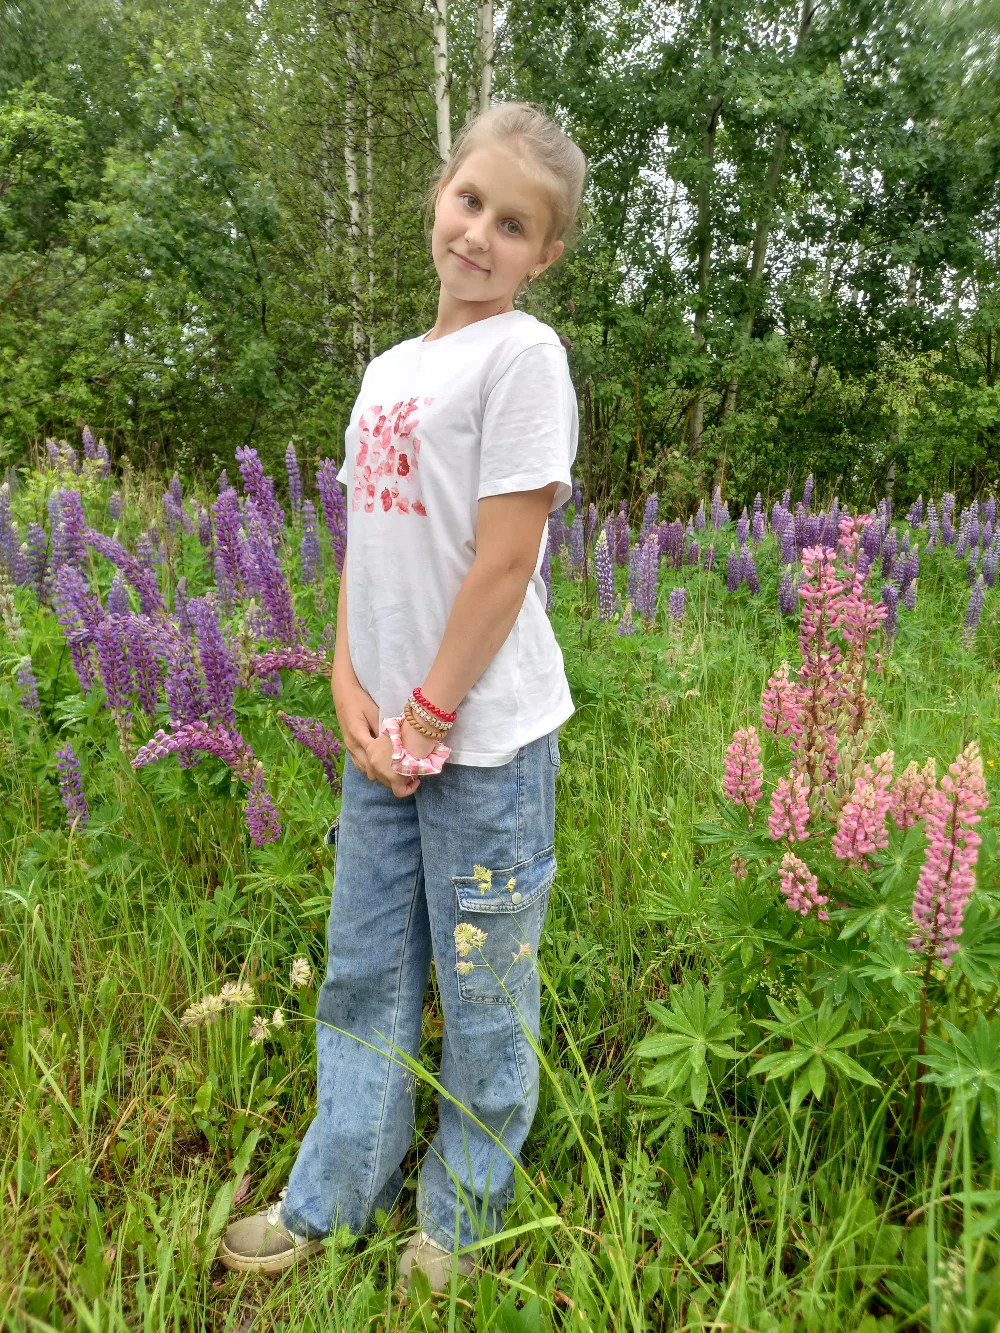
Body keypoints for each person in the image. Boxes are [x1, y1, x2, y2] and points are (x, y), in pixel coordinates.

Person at [218, 101, 587, 1291]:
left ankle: (465, 1213)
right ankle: (336, 1194)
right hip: (383, 733)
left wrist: (429, 710)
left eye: (512, 223)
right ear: (439, 193)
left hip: (481, 741)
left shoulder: (523, 356)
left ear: (543, 254)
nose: (479, 233)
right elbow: (366, 549)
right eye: (469, 200)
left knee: (482, 986)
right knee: (365, 970)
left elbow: (504, 562)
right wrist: (345, 680)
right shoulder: (387, 370)